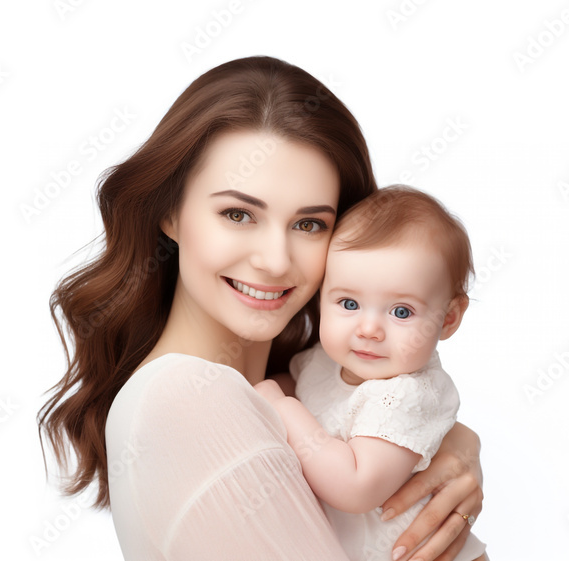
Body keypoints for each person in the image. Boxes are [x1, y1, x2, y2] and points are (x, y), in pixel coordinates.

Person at [38, 56, 484, 560]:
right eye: (238, 213)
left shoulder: (296, 385)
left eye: (310, 224)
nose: (275, 261)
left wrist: (446, 441)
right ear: (169, 212)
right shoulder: (186, 397)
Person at [254, 186, 487, 561]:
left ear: (448, 318)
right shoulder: (325, 360)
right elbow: (296, 387)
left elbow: (355, 487)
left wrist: (280, 407)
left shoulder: (408, 394)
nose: (369, 329)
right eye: (349, 303)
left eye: (401, 312)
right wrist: (266, 392)